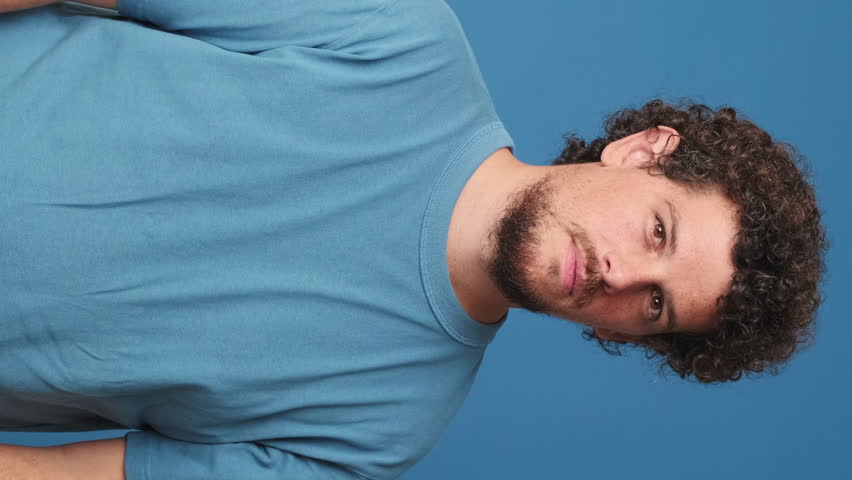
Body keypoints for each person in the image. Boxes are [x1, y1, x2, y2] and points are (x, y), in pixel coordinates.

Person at [0, 1, 826, 479]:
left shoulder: (380, 434)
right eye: (657, 231)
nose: (619, 273)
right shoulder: (398, 32)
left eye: (655, 305)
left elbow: (59, 479)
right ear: (643, 149)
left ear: (625, 335)